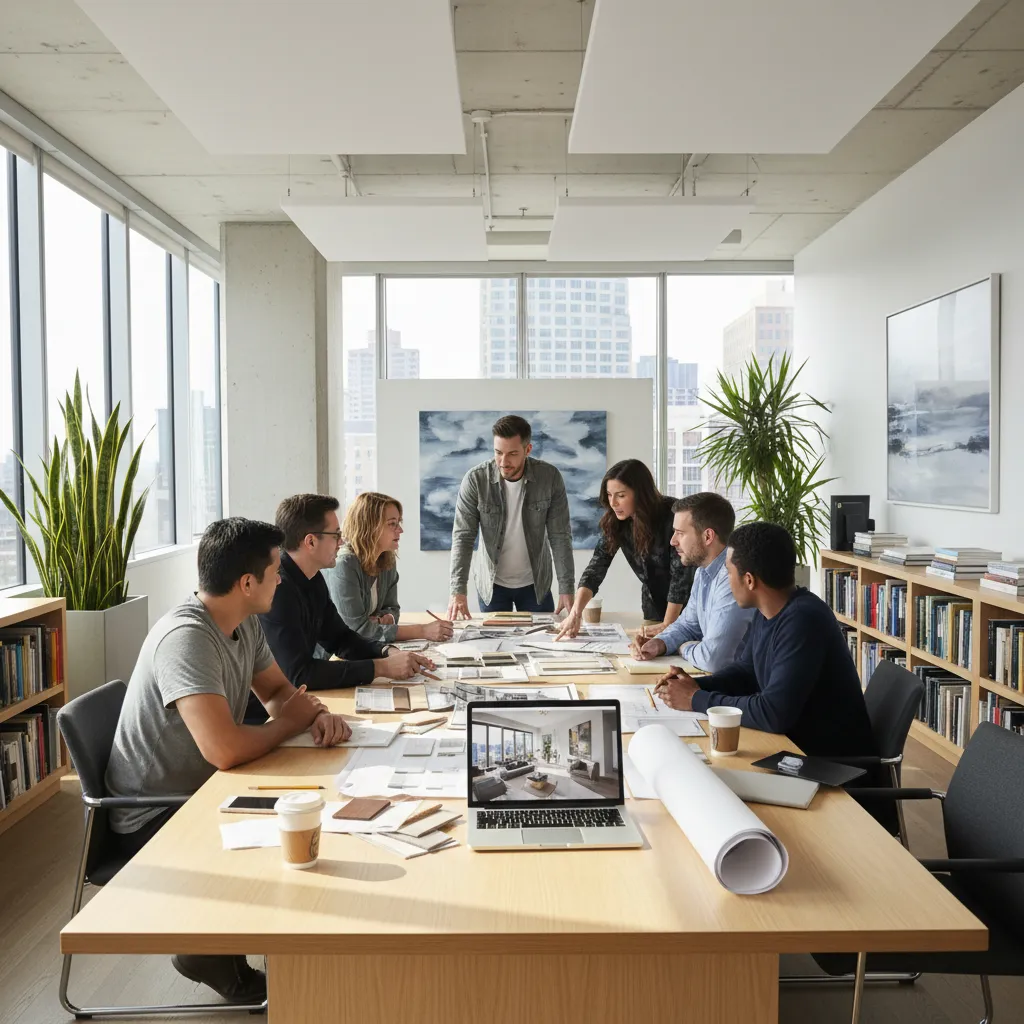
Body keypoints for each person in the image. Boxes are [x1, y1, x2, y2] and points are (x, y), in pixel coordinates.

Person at [104, 517, 355, 1004]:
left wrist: (314, 715)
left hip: (203, 790)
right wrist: (289, 723)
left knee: (321, 811)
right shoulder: (188, 638)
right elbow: (223, 750)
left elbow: (280, 692)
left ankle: (249, 951)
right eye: (276, 570)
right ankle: (214, 953)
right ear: (247, 583)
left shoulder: (243, 623)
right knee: (297, 830)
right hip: (155, 813)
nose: (281, 579)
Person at [654, 521, 876, 759]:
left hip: (829, 766)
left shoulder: (803, 620)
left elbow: (773, 714)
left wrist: (696, 699)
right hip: (793, 749)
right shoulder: (768, 611)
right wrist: (696, 686)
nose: (727, 581)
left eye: (729, 573)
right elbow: (746, 672)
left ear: (749, 580)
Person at [258, 494, 433, 708]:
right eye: (335, 535)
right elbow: (300, 674)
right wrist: (381, 668)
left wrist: (386, 652)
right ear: (311, 541)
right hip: (264, 715)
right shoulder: (279, 589)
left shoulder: (313, 578)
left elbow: (340, 639)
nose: (341, 541)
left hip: (291, 703)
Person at [446, 414, 575, 618]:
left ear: (528, 449)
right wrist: (457, 591)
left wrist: (566, 588)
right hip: (492, 584)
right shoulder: (475, 480)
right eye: (498, 452)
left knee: (544, 642)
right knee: (494, 646)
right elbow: (463, 537)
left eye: (512, 454)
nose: (504, 462)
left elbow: (560, 536)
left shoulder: (549, 478)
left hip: (536, 583)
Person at [556, 459, 694, 639]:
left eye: (621, 495)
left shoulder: (672, 515)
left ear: (640, 493)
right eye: (609, 494)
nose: (613, 503)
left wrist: (668, 625)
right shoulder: (616, 522)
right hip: (653, 606)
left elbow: (681, 579)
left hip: (687, 608)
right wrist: (575, 613)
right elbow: (596, 568)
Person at [631, 492, 753, 671]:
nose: (673, 541)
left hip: (742, 690)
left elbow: (713, 659)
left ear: (708, 536)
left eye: (680, 533)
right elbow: (688, 626)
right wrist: (659, 644)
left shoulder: (731, 579)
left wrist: (684, 647)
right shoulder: (703, 572)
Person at [325, 492, 453, 643]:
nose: (400, 530)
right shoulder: (344, 564)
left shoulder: (386, 559)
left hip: (366, 650)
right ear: (369, 526)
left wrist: (383, 619)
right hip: (332, 656)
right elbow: (356, 631)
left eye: (399, 522)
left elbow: (393, 609)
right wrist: (422, 630)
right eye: (392, 523)